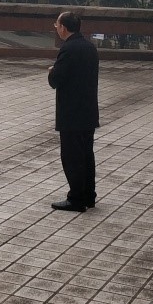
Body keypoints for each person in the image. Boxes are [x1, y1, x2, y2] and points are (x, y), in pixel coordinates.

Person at [48, 11, 100, 213]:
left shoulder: (68, 49)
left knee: (72, 157)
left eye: (57, 25)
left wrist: (52, 71)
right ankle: (89, 195)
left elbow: (56, 80)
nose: (56, 28)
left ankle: (76, 199)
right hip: (88, 111)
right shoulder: (89, 47)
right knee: (86, 155)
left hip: (72, 113)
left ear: (63, 27)